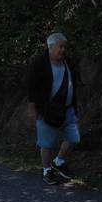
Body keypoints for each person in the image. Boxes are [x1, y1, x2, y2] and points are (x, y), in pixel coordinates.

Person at [27, 33, 80, 185]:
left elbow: (72, 82)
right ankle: (46, 170)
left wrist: (75, 103)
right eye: (60, 47)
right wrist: (33, 108)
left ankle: (58, 162)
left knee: (74, 137)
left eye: (64, 47)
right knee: (46, 143)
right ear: (50, 47)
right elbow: (31, 86)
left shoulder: (68, 62)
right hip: (47, 109)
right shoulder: (39, 63)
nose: (63, 50)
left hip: (68, 108)